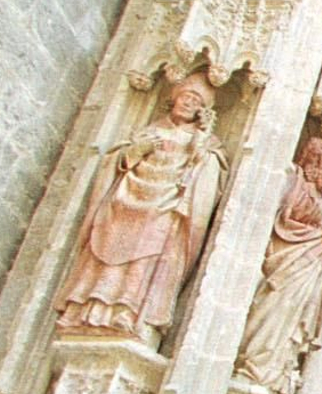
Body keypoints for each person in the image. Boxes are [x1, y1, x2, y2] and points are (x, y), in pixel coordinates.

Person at [57, 73, 226, 343]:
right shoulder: (152, 130)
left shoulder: (202, 139)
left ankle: (129, 311)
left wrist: (201, 146)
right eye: (185, 97)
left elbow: (207, 175)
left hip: (165, 207)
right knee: (106, 251)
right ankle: (88, 308)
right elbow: (118, 158)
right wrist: (138, 150)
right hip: (127, 202)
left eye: (195, 101)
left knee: (145, 259)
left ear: (202, 111)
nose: (187, 104)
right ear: (173, 99)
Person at [236, 134, 322, 394]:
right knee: (272, 303)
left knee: (288, 311)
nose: (318, 162)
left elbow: (317, 221)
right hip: (286, 254)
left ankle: (269, 369)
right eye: (314, 156)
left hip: (307, 258)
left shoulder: (321, 194)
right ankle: (253, 364)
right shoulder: (293, 180)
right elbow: (279, 213)